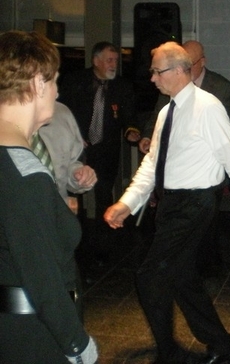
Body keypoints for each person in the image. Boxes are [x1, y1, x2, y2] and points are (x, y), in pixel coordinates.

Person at [104, 41, 230, 364]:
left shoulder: (208, 107)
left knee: (150, 277)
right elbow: (152, 163)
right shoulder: (167, 110)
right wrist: (128, 202)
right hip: (172, 203)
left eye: (157, 71)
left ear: (178, 71)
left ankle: (169, 353)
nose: (152, 78)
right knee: (181, 276)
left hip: (195, 203)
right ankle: (223, 346)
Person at [0, 30, 98, 363]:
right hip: (30, 334)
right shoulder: (24, 171)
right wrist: (77, 345)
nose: (58, 90)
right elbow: (42, 277)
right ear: (39, 84)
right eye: (55, 81)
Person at [59, 41, 140, 262]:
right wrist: (75, 136)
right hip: (78, 151)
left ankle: (105, 248)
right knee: (75, 197)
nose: (114, 65)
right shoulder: (75, 82)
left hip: (106, 151)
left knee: (104, 196)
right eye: (109, 60)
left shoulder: (121, 87)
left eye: (116, 60)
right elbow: (62, 112)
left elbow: (129, 117)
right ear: (96, 61)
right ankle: (75, 244)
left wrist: (132, 132)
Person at [139, 39, 230, 153]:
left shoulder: (222, 89)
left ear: (202, 62)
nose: (185, 68)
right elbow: (157, 117)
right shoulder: (169, 86)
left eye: (190, 64)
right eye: (182, 64)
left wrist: (219, 157)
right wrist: (148, 137)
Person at [38, 101, 97, 211]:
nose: (56, 93)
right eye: (50, 83)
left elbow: (67, 164)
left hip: (55, 214)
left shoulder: (61, 112)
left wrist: (77, 173)